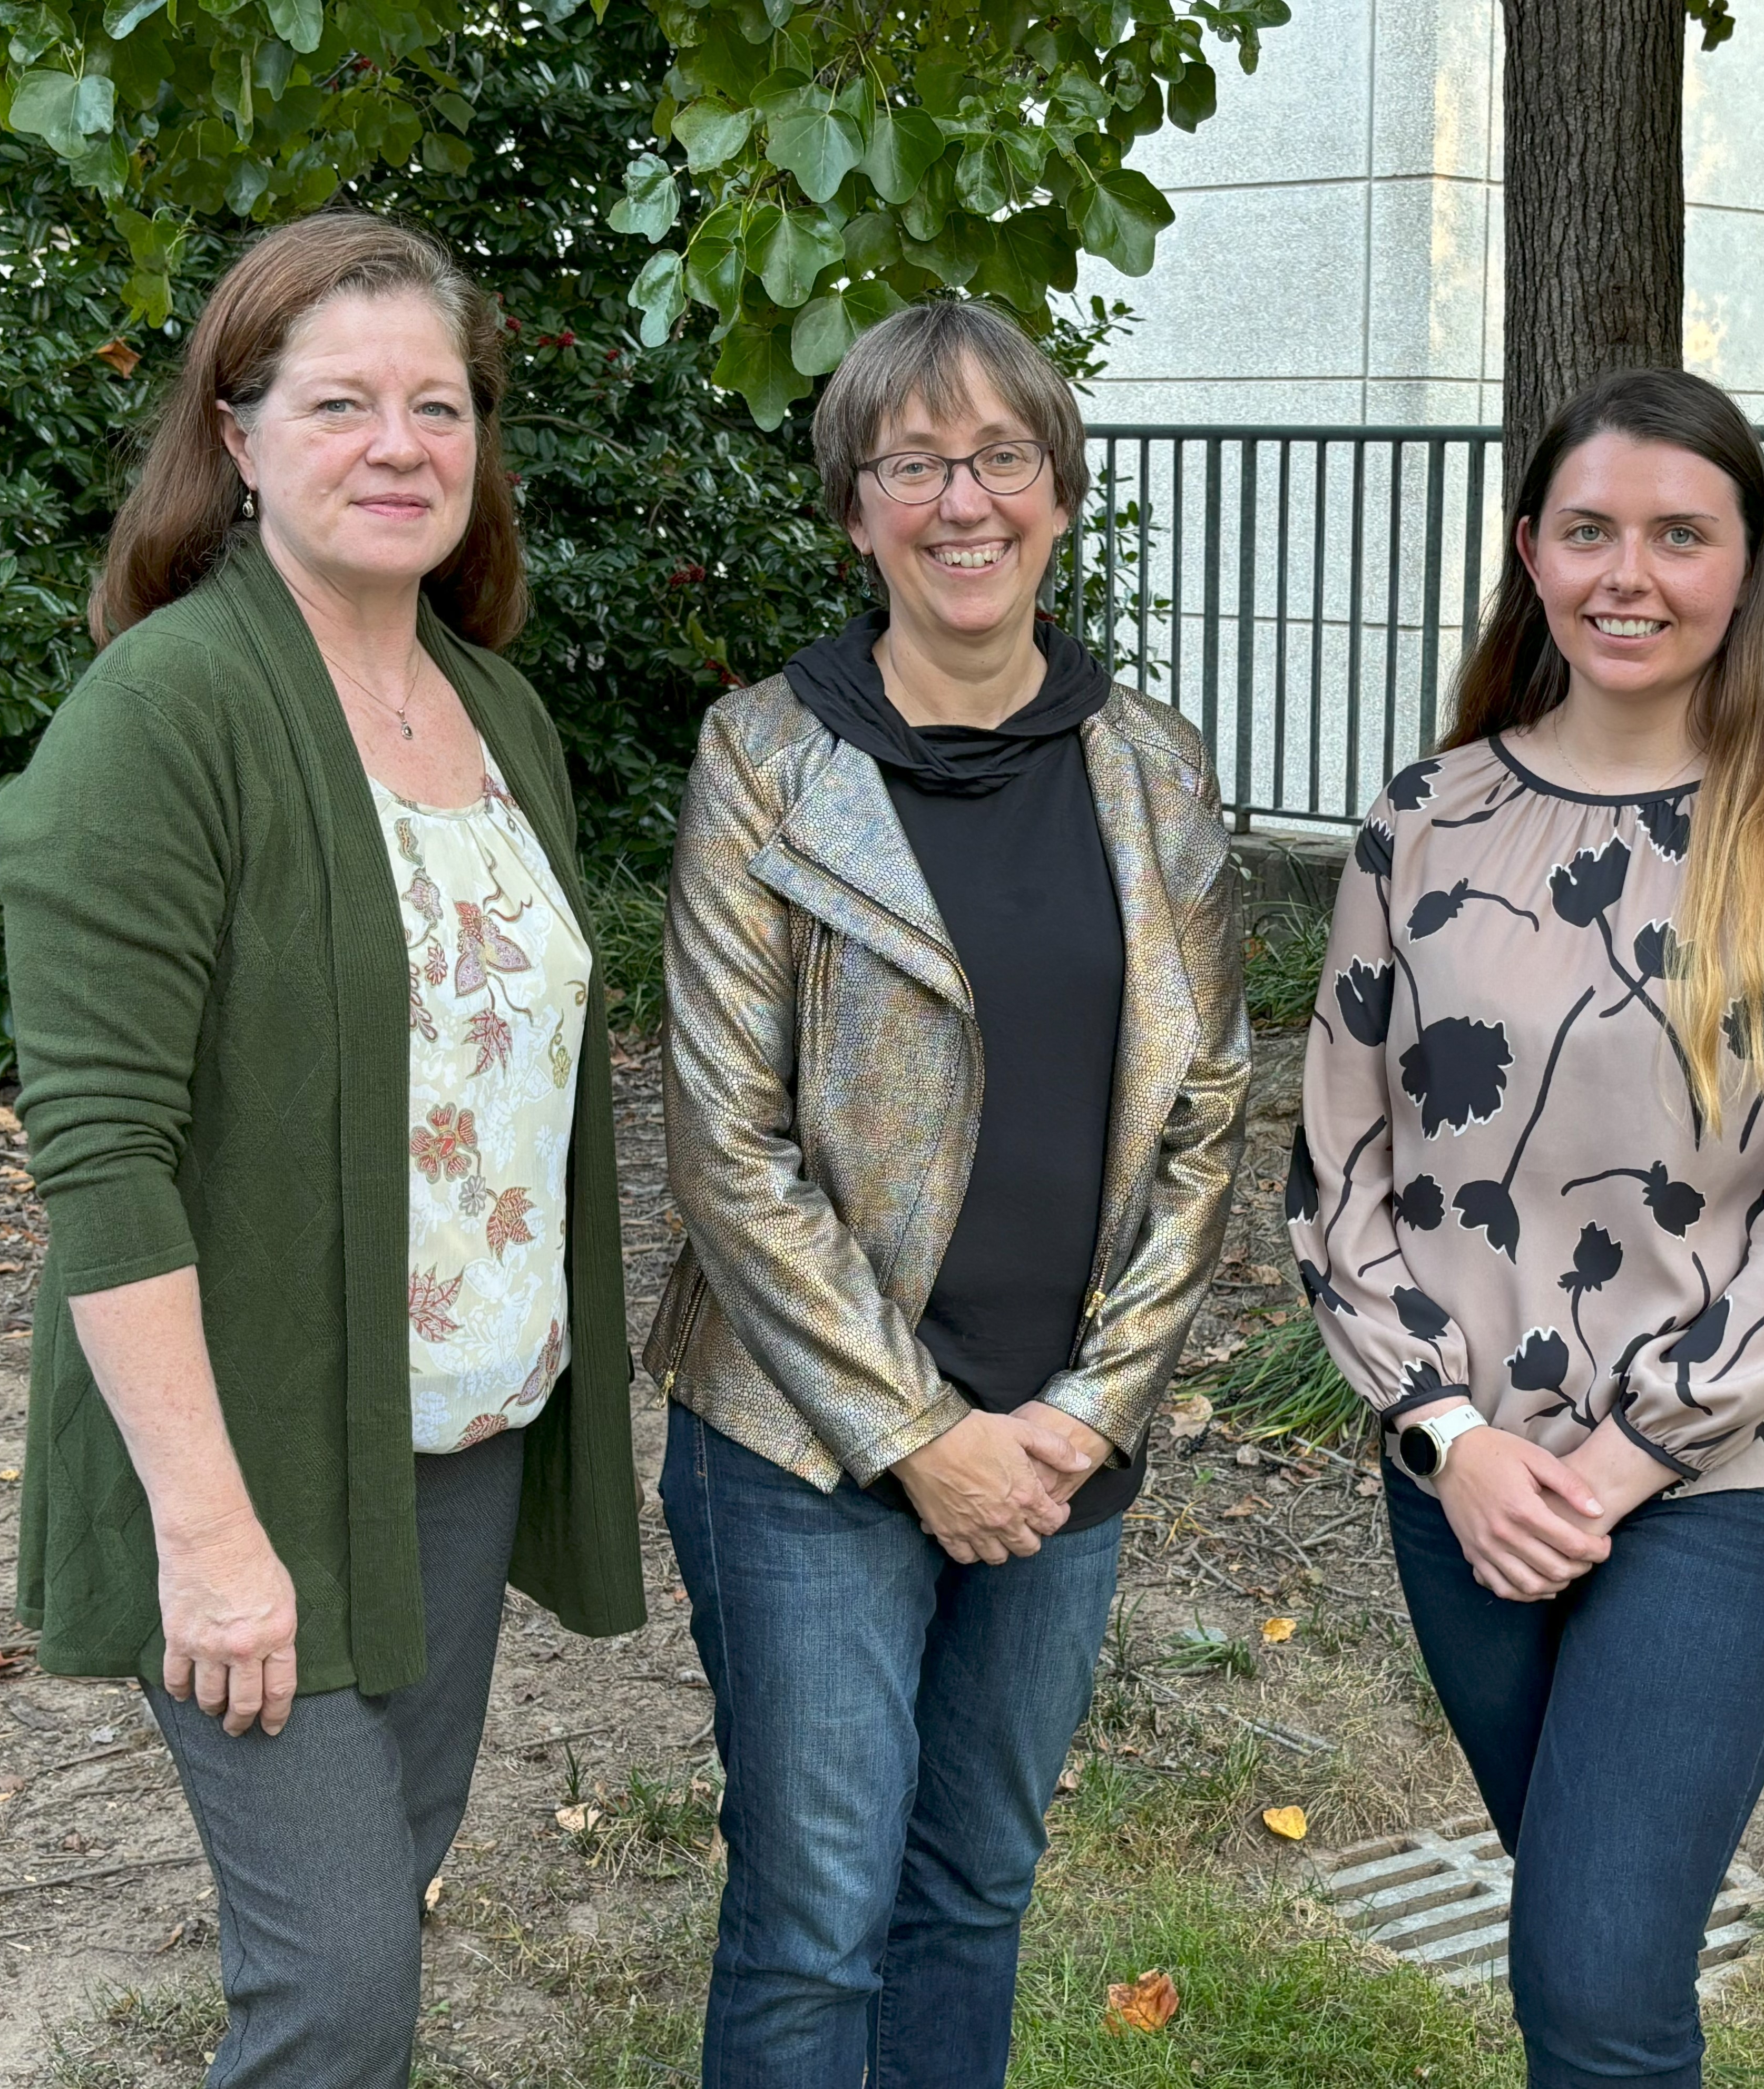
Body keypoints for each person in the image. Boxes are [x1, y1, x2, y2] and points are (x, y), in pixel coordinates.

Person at [0, 213, 643, 2085]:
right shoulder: (165, 714)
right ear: (241, 431)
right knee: (341, 1990)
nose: (398, 444)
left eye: (437, 405)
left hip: (454, 1443)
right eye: (340, 400)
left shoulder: (502, 712)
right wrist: (208, 1542)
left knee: (384, 1903)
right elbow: (102, 1151)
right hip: (254, 1458)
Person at [1292, 367, 1764, 2089]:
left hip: (1727, 1479)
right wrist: (1448, 1440)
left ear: (1747, 563)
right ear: (1530, 551)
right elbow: (1339, 1165)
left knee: (1591, 1983)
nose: (1628, 574)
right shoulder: (1422, 825)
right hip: (1473, 1488)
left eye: (1679, 534)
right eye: (1588, 530)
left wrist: (1634, 1452)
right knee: (1594, 1944)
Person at [650, 297, 1248, 2089]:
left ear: (1060, 492)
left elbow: (1208, 1114)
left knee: (977, 1887)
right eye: (914, 465)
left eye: (1002, 457)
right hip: (808, 1450)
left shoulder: (1153, 766)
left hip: (1067, 1452)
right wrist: (923, 1436)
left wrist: (1080, 1417)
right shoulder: (763, 759)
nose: (962, 500)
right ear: (856, 509)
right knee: (819, 1920)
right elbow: (724, 1146)